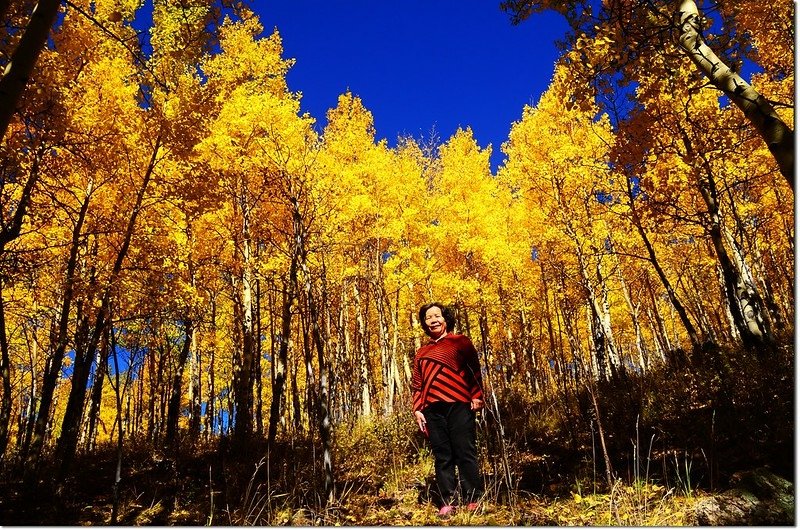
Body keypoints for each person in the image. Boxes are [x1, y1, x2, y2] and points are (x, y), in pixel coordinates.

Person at [411, 302, 485, 517]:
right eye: (428, 317)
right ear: (424, 323)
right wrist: (417, 409)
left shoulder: (460, 341)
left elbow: (474, 370)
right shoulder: (421, 352)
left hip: (459, 404)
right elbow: (417, 384)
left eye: (437, 315)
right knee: (443, 456)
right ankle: (447, 501)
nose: (433, 320)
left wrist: (477, 396)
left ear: (445, 319)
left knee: (465, 450)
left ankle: (472, 499)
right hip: (432, 409)